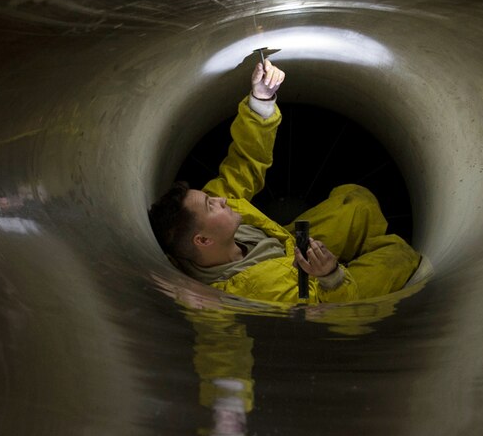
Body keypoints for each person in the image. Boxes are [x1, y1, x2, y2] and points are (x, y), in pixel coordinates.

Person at [148, 58, 425, 305]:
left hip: (293, 248)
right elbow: (323, 315)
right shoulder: (256, 290)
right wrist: (331, 275)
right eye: (211, 205)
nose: (220, 199)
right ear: (203, 239)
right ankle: (374, 282)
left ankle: (360, 256)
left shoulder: (206, 229)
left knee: (357, 200)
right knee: (400, 255)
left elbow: (244, 164)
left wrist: (261, 100)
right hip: (317, 289)